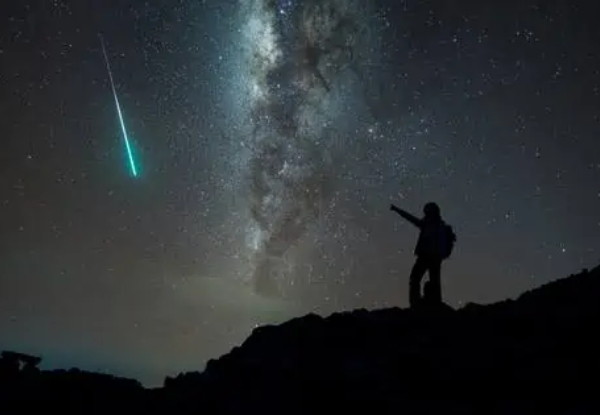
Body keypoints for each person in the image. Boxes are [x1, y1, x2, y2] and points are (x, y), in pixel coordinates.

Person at [390, 202, 453, 307]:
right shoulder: (440, 225)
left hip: (426, 256)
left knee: (415, 279)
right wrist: (397, 210)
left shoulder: (428, 224)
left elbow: (411, 218)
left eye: (427, 212)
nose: (425, 214)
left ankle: (416, 303)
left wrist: (397, 210)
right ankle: (436, 303)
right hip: (436, 258)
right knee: (435, 281)